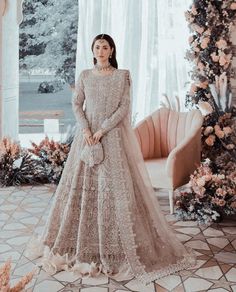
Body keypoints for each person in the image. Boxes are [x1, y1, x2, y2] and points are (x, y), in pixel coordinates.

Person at [26, 33, 196, 285]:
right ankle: (80, 244)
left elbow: (124, 108)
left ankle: (118, 246)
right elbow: (77, 104)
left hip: (112, 138)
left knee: (115, 189)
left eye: (105, 47)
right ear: (92, 50)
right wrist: (85, 129)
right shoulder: (84, 76)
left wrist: (102, 130)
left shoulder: (122, 76)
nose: (101, 50)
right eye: (97, 47)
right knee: (78, 190)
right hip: (87, 139)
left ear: (112, 50)